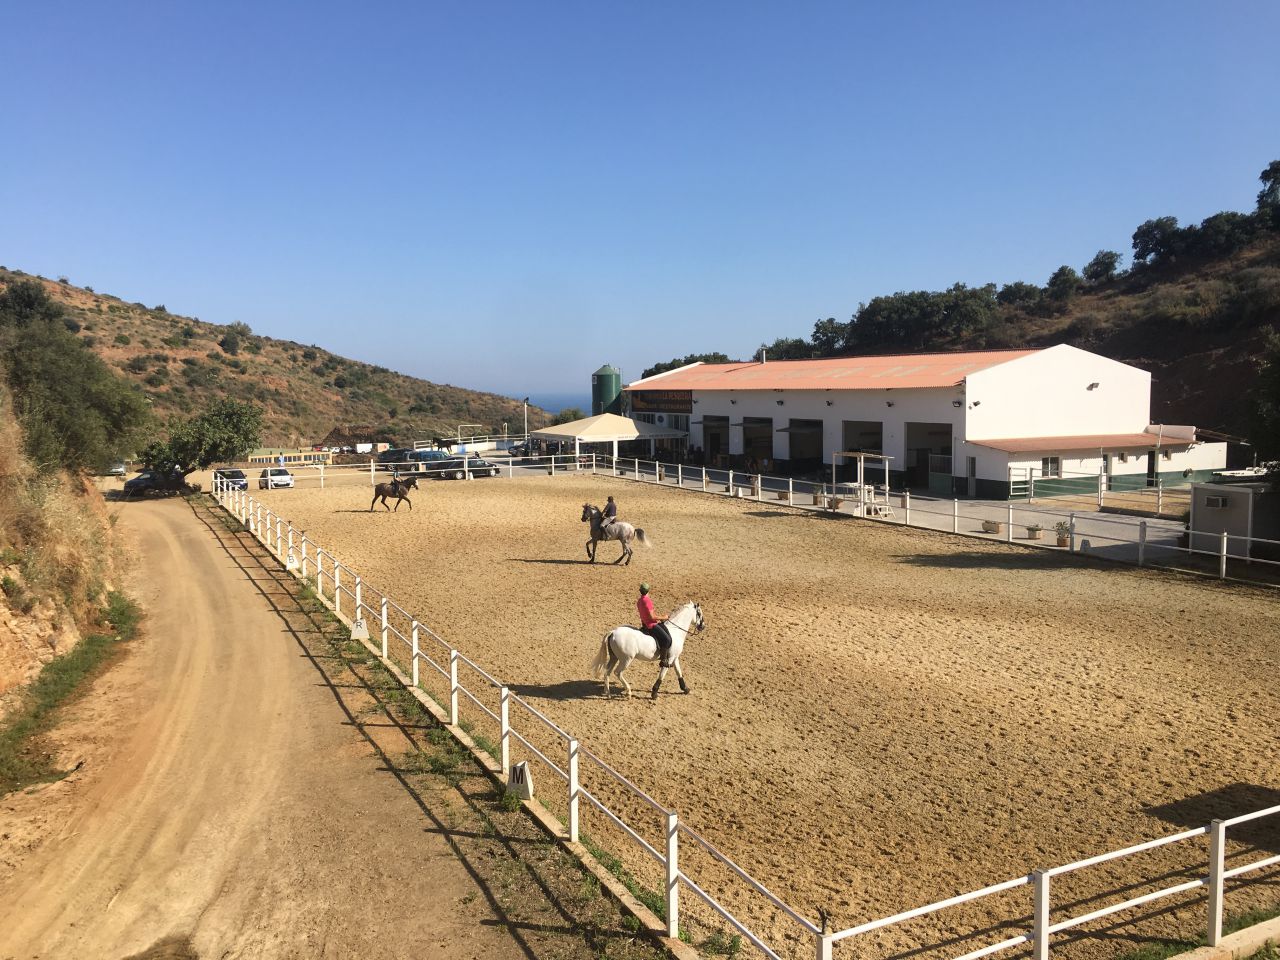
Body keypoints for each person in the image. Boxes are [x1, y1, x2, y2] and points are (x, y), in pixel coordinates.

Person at [637, 582, 672, 668]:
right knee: (667, 640)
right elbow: (652, 617)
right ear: (648, 590)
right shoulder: (647, 600)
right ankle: (663, 660)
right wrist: (664, 617)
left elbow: (642, 615)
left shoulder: (639, 601)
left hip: (644, 624)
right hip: (651, 625)